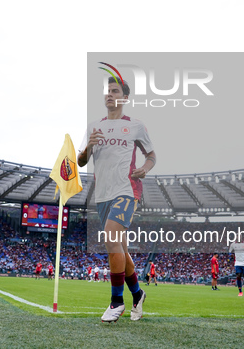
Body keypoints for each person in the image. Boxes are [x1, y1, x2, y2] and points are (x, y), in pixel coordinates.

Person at [78, 76, 156, 322]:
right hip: (103, 195)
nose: (109, 94)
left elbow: (152, 155)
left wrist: (145, 168)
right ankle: (138, 293)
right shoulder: (93, 126)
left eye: (115, 91)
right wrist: (88, 147)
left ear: (124, 97)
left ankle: (116, 302)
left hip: (127, 190)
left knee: (111, 239)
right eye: (107, 91)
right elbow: (81, 161)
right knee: (120, 247)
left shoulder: (135, 126)